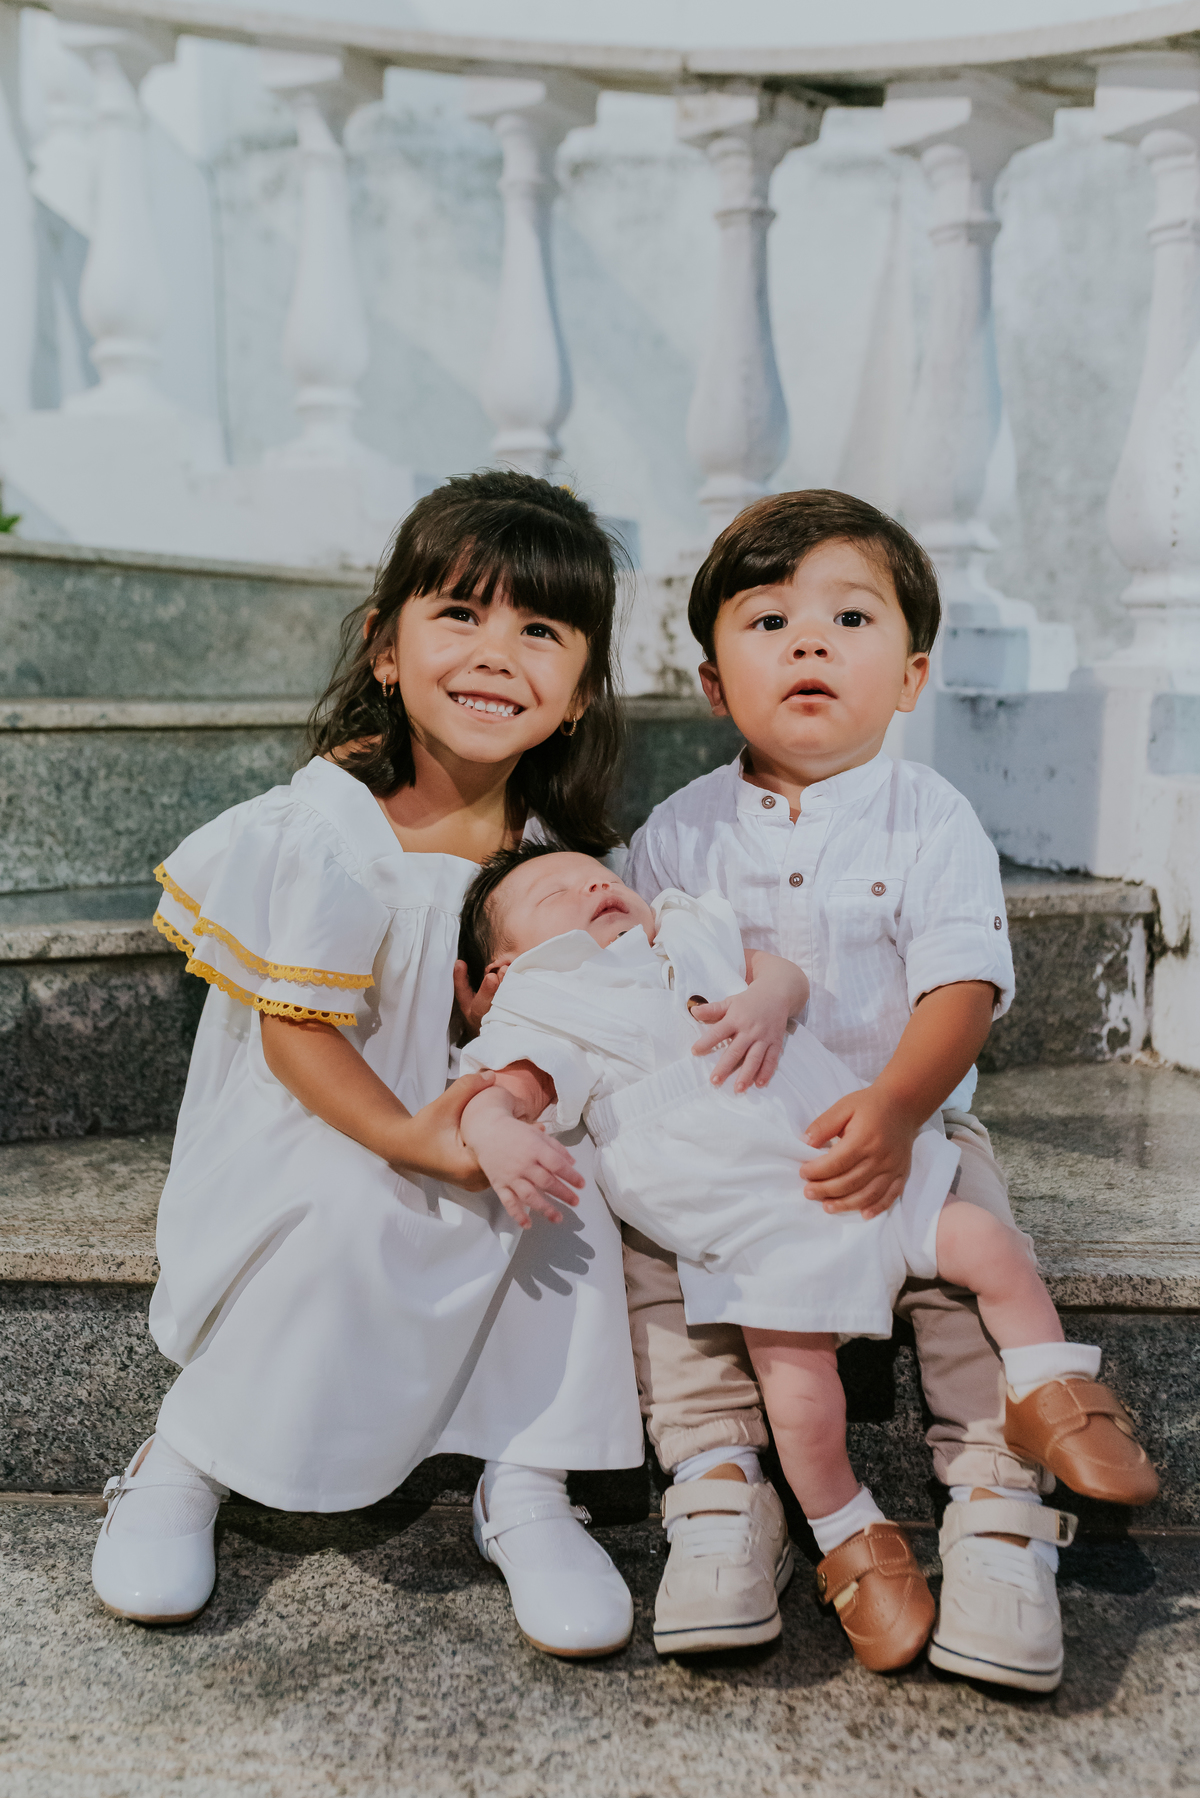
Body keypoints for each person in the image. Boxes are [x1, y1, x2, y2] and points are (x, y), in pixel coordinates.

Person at [90, 472, 645, 1659]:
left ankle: (532, 1477)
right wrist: (416, 1135)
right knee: (359, 1203)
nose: (497, 654)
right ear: (384, 648)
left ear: (580, 691)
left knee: (571, 1191)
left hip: (482, 1113)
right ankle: (187, 1455)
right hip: (328, 1121)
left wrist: (502, 1110)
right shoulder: (330, 825)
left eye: (539, 630)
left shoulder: (553, 858)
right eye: (460, 614)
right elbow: (297, 1036)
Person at [610, 488, 1156, 1693]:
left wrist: (904, 1108)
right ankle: (714, 1487)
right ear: (712, 683)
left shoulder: (932, 817)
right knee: (656, 1252)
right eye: (768, 622)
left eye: (848, 617)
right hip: (740, 1151)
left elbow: (961, 987)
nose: (808, 642)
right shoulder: (676, 838)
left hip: (905, 1113)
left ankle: (997, 1505)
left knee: (969, 1251)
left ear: (910, 677)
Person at [451, 843, 1158, 1672]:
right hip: (757, 1238)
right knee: (800, 1401)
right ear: (500, 970)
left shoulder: (683, 931)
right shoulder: (550, 1003)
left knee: (989, 1243)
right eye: (553, 892)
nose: (595, 884)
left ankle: (1052, 1388)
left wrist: (768, 998)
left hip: (850, 1161)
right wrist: (495, 1129)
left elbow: (777, 970)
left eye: (599, 875)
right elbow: (506, 1091)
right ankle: (847, 1530)